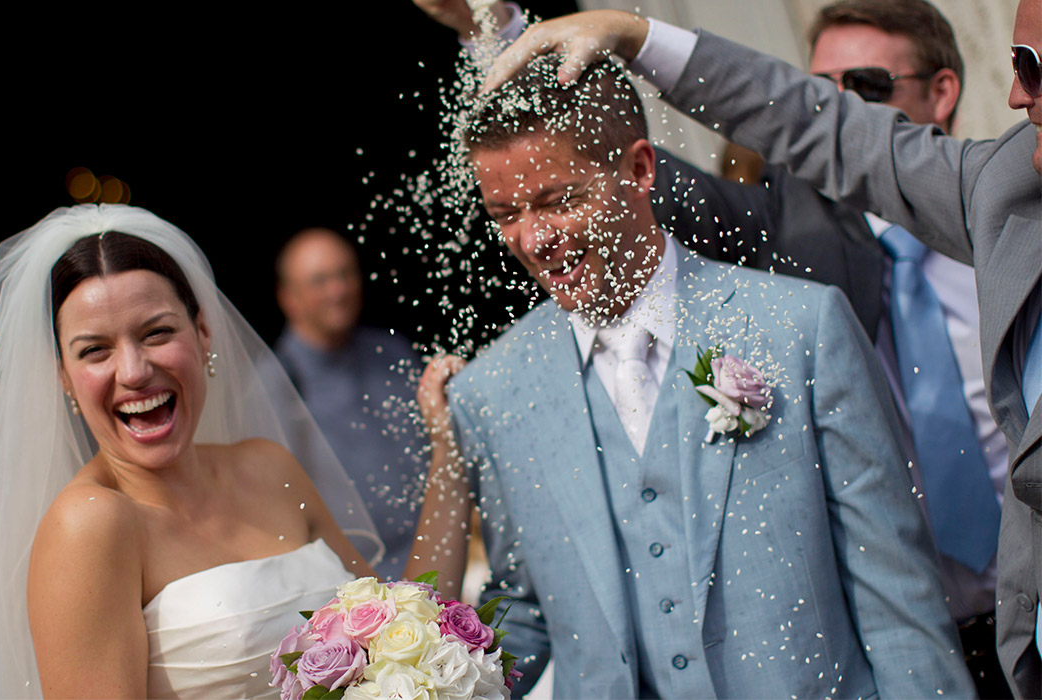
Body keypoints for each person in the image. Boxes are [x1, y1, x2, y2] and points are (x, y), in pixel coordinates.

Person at [420, 1, 1010, 692]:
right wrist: (413, 673)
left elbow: (895, 603)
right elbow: (524, 611)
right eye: (504, 215)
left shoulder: (800, 325)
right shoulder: (494, 393)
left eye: (557, 200)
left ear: (642, 171)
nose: (532, 237)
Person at [0, 205, 388, 698]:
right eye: (95, 350)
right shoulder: (89, 525)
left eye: (156, 333)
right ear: (63, 377)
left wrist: (447, 457)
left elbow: (402, 628)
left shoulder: (270, 466)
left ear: (203, 334)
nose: (134, 371)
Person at [274, 228, 427, 580]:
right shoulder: (277, 382)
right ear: (289, 298)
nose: (338, 290)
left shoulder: (391, 351)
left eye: (345, 274)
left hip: (438, 559)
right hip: (358, 584)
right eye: (320, 281)